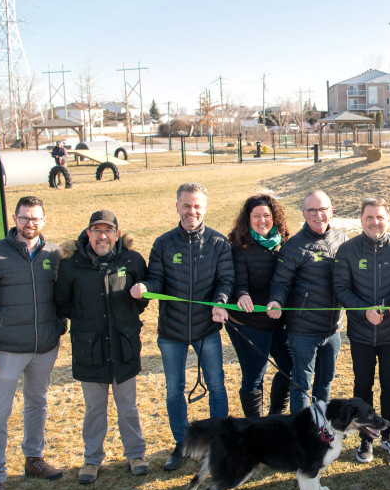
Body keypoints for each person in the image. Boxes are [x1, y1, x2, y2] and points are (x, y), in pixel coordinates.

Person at [0, 195, 67, 490]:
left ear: (44, 220)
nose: (29, 223)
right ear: (15, 218)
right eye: (24, 218)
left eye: (35, 218)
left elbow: (61, 297)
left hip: (43, 348)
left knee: (37, 402)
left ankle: (33, 459)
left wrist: (58, 326)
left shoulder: (53, 254)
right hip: (5, 350)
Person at [130, 183, 234, 471]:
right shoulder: (163, 243)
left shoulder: (218, 242)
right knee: (174, 389)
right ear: (177, 207)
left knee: (216, 385)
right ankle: (182, 444)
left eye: (197, 206)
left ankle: (217, 443)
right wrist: (145, 287)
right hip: (171, 332)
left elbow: (225, 280)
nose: (192, 211)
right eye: (186, 205)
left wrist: (221, 301)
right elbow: (156, 280)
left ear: (205, 207)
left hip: (207, 330)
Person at [55, 209, 150, 484]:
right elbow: (62, 303)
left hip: (124, 345)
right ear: (88, 234)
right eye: (96, 231)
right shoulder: (71, 265)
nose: (102, 236)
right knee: (95, 409)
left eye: (108, 230)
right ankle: (92, 459)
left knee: (128, 407)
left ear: (117, 234)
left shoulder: (132, 260)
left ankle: (136, 454)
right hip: (90, 348)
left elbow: (141, 299)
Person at [334, 197, 390, 462]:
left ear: (388, 220)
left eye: (380, 217)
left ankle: (389, 433)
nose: (374, 222)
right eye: (369, 217)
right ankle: (366, 438)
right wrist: (363, 311)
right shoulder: (347, 251)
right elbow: (342, 289)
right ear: (361, 219)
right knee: (363, 385)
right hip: (360, 335)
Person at [267, 190, 347, 413]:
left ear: (331, 211)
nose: (317, 215)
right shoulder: (294, 246)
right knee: (301, 384)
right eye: (311, 210)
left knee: (325, 383)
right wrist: (276, 301)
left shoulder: (342, 240)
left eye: (322, 209)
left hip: (333, 330)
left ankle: (321, 427)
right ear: (303, 213)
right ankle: (301, 434)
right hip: (303, 331)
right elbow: (280, 282)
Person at [225, 193, 294, 418]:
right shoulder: (240, 246)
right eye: (256, 216)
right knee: (254, 376)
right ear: (248, 219)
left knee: (289, 366)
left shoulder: (284, 242)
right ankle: (254, 427)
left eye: (267, 215)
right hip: (249, 321)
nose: (262, 220)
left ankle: (275, 417)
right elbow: (239, 282)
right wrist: (242, 295)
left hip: (277, 320)